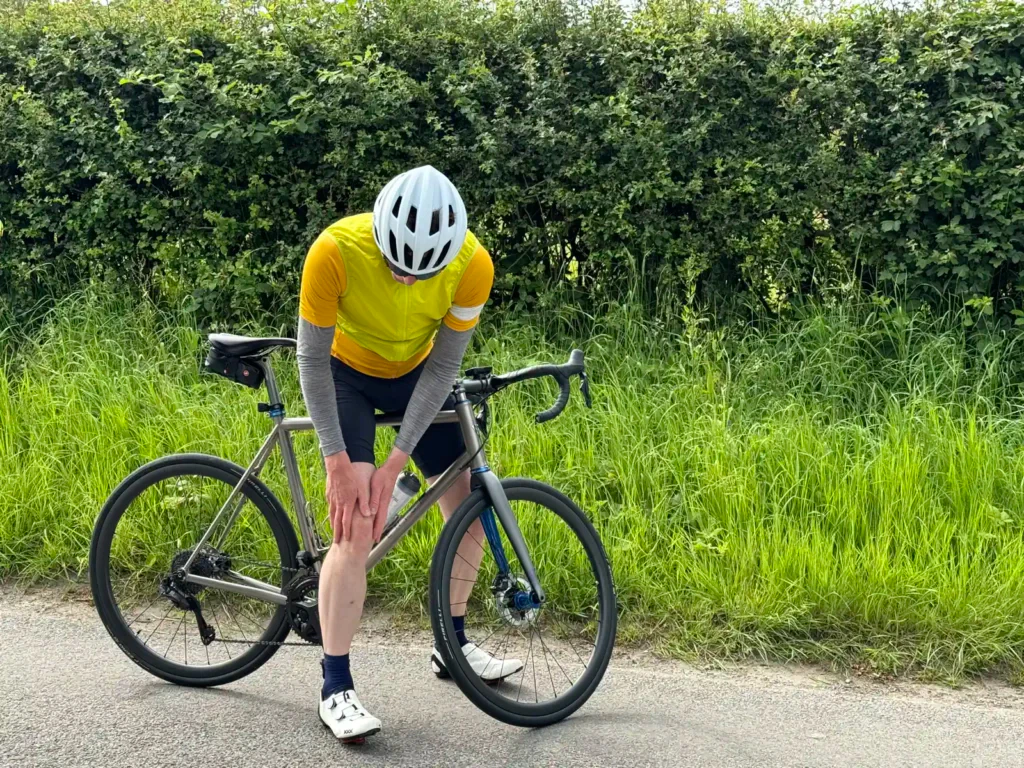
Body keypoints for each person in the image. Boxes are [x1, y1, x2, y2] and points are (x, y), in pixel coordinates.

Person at [296, 166, 523, 743]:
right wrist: (336, 462)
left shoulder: (473, 265)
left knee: (468, 505)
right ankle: (335, 686)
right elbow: (312, 361)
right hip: (346, 375)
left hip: (419, 374)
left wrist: (396, 460)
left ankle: (452, 644)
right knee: (357, 521)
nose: (405, 280)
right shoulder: (334, 251)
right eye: (397, 266)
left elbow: (444, 366)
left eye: (420, 273)